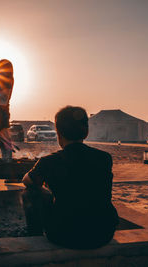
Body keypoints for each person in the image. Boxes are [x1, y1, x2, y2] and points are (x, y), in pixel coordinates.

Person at [21, 105, 119, 249]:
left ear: (58, 134)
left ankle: (34, 236)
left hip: (63, 235)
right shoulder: (104, 158)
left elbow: (27, 180)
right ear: (86, 132)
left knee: (30, 192)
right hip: (103, 234)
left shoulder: (49, 161)